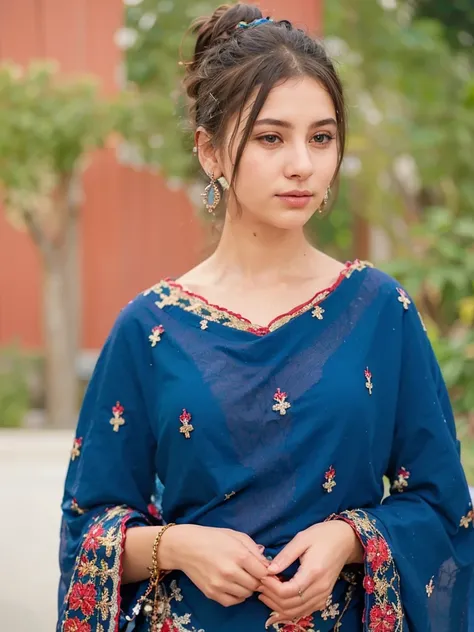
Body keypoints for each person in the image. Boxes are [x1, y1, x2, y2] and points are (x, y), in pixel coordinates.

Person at [57, 4, 474, 631]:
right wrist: (179, 545)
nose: (302, 163)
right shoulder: (149, 330)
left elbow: (444, 507)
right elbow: (86, 527)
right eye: (270, 137)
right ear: (210, 151)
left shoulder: (378, 311)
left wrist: (349, 539)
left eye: (322, 137)